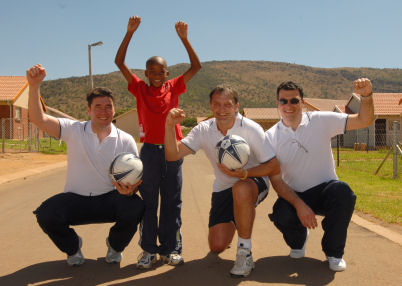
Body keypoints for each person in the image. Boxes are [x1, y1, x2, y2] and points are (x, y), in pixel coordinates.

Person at [28, 64, 145, 266]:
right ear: (88, 110)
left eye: (108, 106)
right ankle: (73, 247)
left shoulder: (125, 139)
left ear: (114, 110)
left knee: (136, 206)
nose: (103, 111)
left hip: (110, 199)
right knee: (46, 213)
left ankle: (115, 246)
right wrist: (34, 86)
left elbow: (135, 173)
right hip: (76, 200)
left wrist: (130, 189)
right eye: (98, 106)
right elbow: (38, 119)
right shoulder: (73, 129)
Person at [164, 85, 284, 277]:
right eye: (217, 104)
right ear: (211, 106)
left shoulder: (251, 129)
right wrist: (169, 126)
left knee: (241, 190)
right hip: (223, 188)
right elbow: (172, 155)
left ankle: (245, 253)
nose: (221, 110)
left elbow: (274, 166)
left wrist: (244, 174)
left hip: (253, 181)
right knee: (217, 245)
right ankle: (240, 214)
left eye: (227, 105)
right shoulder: (204, 129)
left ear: (237, 106)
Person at [115, 16, 201, 269]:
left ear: (167, 73)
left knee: (172, 201)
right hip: (150, 151)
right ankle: (149, 250)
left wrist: (184, 39)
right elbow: (119, 62)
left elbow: (196, 66)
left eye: (160, 72)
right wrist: (129, 32)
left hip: (173, 149)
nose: (155, 75)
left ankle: (171, 249)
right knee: (150, 201)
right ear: (146, 73)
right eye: (151, 72)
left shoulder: (173, 87)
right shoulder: (140, 88)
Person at [266, 78, 374, 271]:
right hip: (294, 193)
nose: (288, 105)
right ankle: (298, 240)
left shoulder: (321, 120)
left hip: (326, 190)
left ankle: (333, 253)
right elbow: (276, 180)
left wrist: (366, 96)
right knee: (281, 213)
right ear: (277, 104)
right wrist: (300, 206)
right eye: (283, 101)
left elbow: (364, 120)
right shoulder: (271, 137)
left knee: (343, 192)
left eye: (294, 100)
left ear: (303, 102)